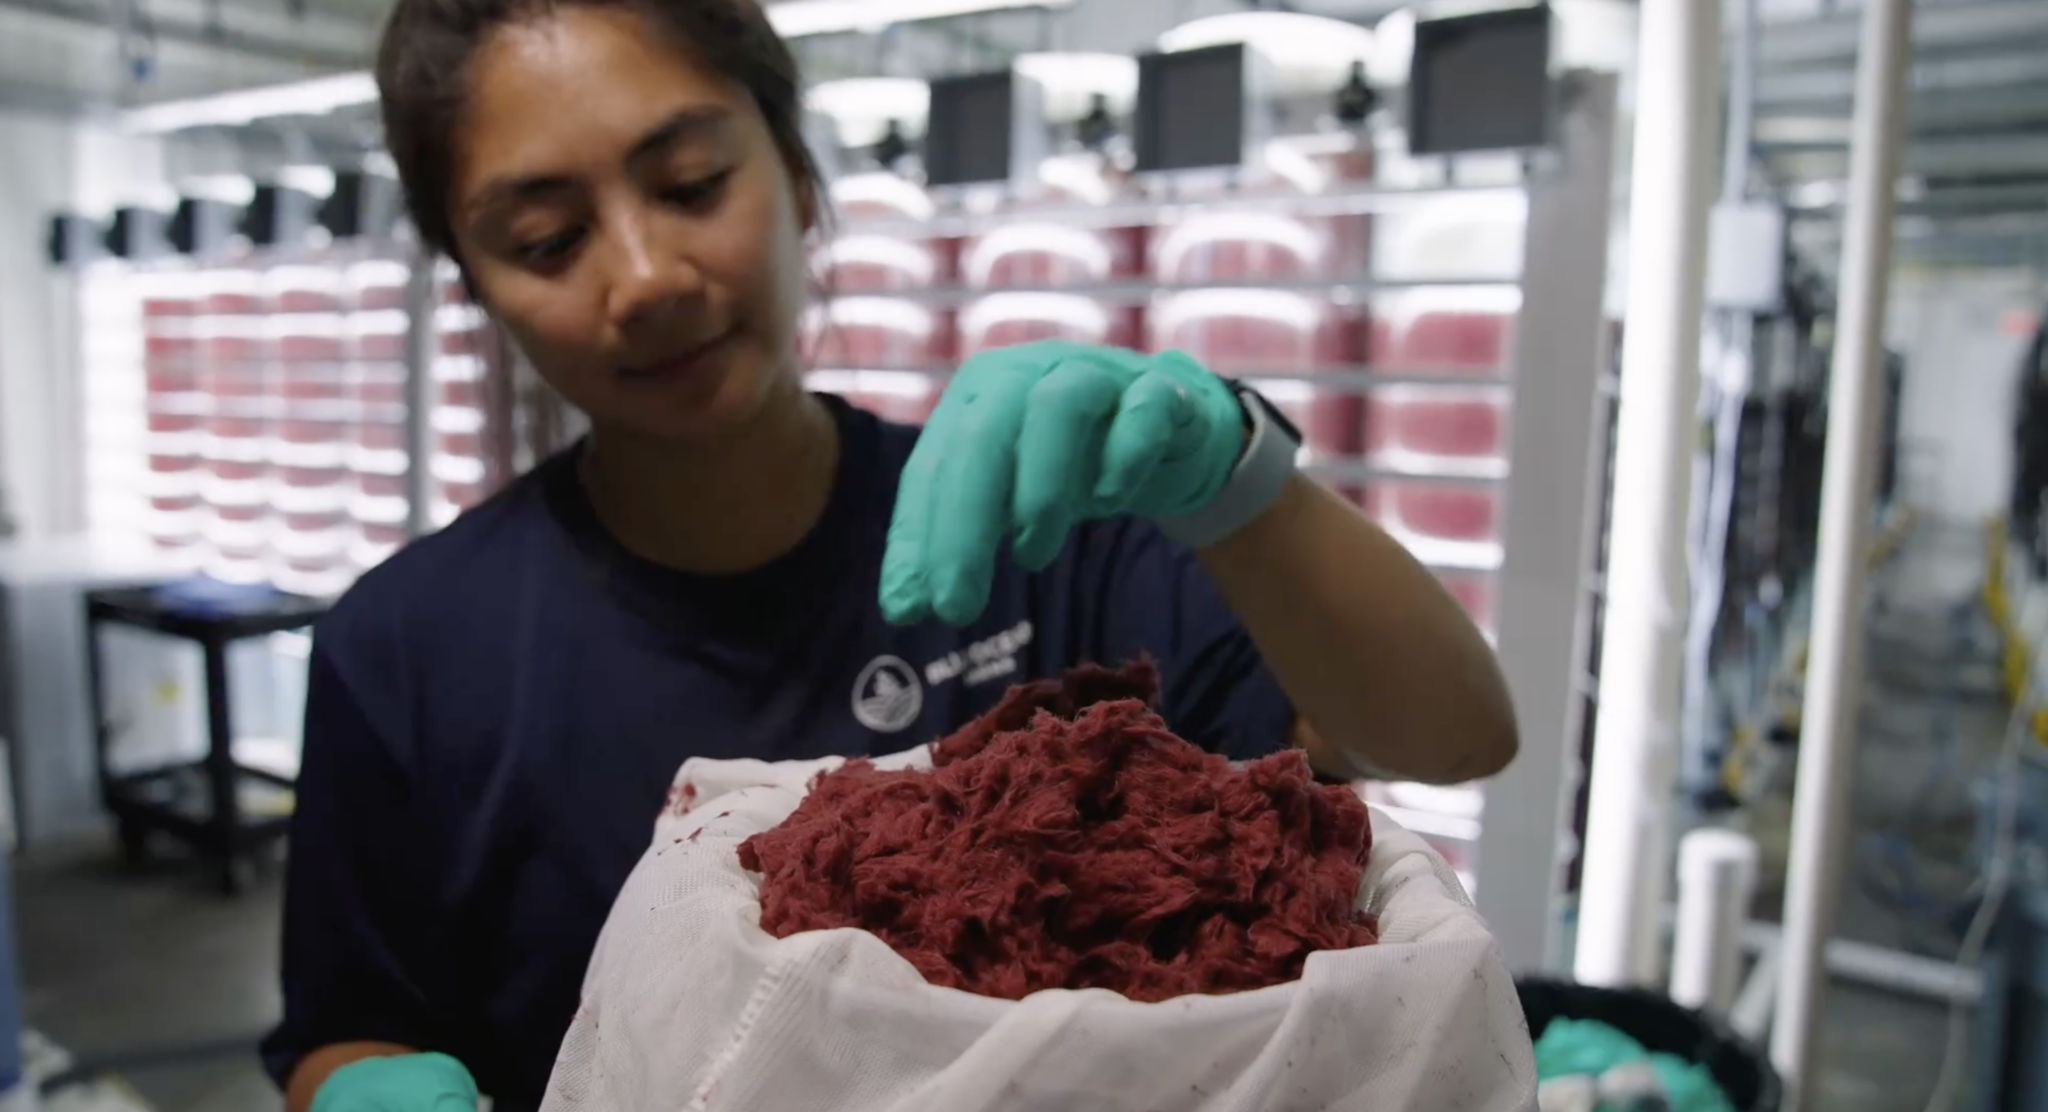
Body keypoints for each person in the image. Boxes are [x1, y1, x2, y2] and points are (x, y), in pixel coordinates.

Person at [266, 0, 1519, 1109]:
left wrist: (1244, 487)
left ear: (799, 177)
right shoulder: (407, 645)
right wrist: (368, 1088)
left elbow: (1449, 737)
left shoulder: (1046, 536)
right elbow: (343, 1023)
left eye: (693, 180)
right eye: (545, 237)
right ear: (473, 283)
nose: (644, 277)